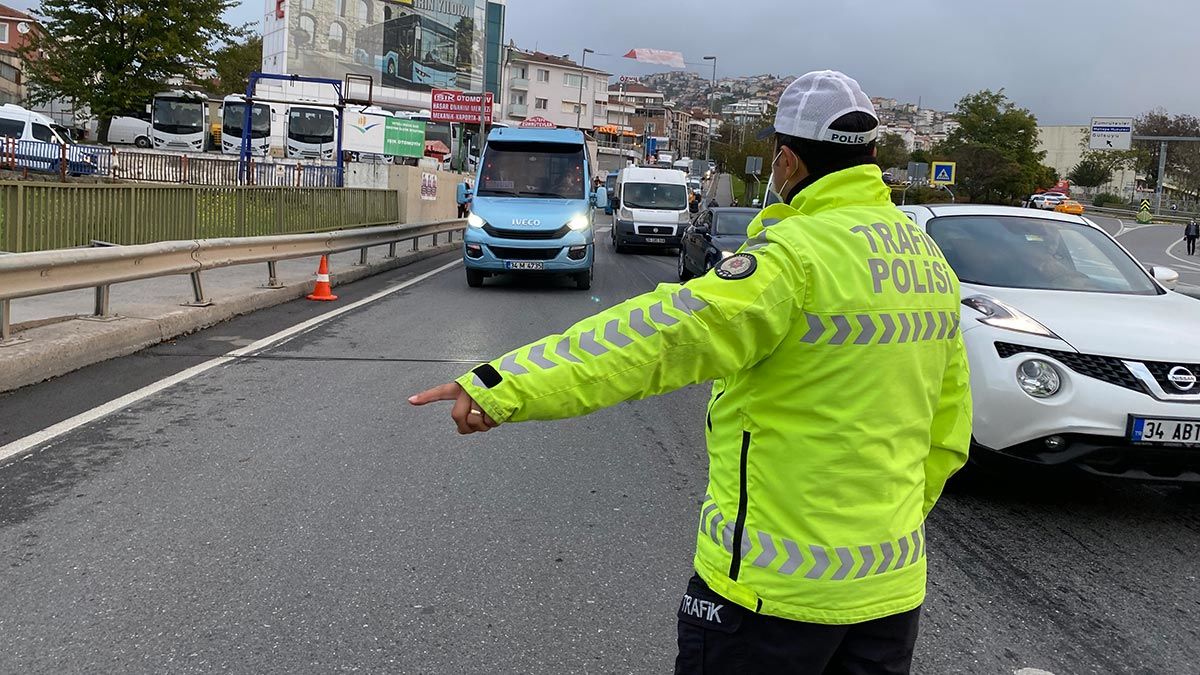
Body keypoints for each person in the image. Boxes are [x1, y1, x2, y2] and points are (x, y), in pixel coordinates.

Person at [411, 70, 971, 674]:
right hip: (890, 595)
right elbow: (948, 431)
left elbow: (652, 339)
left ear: (787, 162)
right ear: (871, 155)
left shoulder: (794, 260)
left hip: (768, 599)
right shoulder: (927, 260)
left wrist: (505, 384)